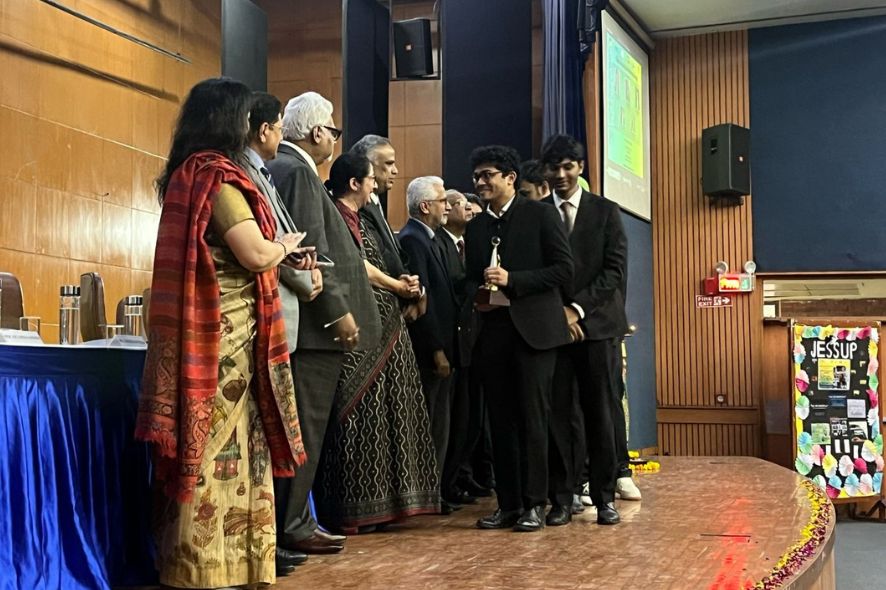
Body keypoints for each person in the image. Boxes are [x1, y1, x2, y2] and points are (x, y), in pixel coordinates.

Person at [135, 77, 314, 587]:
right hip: (226, 339)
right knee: (220, 447)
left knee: (226, 446)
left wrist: (277, 254)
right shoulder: (217, 177)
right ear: (229, 120)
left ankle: (214, 564)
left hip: (214, 334)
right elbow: (253, 253)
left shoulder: (186, 173)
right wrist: (285, 246)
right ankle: (211, 569)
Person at [267, 91, 382, 555]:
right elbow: (311, 251)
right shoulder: (295, 171)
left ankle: (294, 519)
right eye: (333, 130)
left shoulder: (284, 167)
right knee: (304, 429)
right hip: (314, 330)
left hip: (308, 327)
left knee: (302, 429)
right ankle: (292, 523)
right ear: (318, 133)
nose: (334, 138)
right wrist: (337, 312)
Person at [313, 153, 440, 533]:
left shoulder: (366, 217)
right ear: (355, 183)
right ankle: (354, 509)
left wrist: (406, 283)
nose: (375, 185)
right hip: (357, 335)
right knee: (356, 418)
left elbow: (381, 261)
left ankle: (389, 505)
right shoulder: (335, 215)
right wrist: (396, 285)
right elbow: (354, 265)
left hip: (386, 328)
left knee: (388, 418)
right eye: (371, 178)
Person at [464, 145, 574, 533]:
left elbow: (563, 269)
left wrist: (514, 280)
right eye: (476, 176)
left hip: (535, 334)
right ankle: (508, 504)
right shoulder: (476, 227)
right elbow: (469, 279)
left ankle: (535, 503)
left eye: (488, 175)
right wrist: (478, 293)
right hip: (493, 333)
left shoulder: (540, 214)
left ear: (510, 178)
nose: (480, 182)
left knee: (533, 420)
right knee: (500, 423)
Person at [239, 91, 323, 574]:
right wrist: (290, 257)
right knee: (262, 434)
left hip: (280, 307)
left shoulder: (267, 171)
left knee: (268, 436)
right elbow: (260, 249)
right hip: (261, 316)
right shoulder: (242, 173)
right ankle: (266, 539)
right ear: (264, 128)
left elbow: (277, 243)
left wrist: (294, 258)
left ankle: (268, 539)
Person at [540, 133, 636, 529]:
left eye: (568, 167)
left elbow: (613, 271)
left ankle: (604, 497)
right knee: (560, 417)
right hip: (553, 332)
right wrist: (559, 315)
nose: (561, 174)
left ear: (580, 168)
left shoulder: (605, 211)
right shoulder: (537, 213)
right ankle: (562, 499)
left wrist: (576, 311)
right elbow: (536, 272)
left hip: (597, 328)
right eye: (554, 168)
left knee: (601, 414)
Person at [397, 177, 459, 507]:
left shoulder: (430, 238)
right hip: (429, 352)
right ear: (425, 206)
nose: (446, 206)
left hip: (445, 345)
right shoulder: (413, 239)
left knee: (442, 424)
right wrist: (436, 350)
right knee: (431, 425)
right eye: (441, 201)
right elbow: (423, 302)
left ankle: (436, 491)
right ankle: (428, 494)